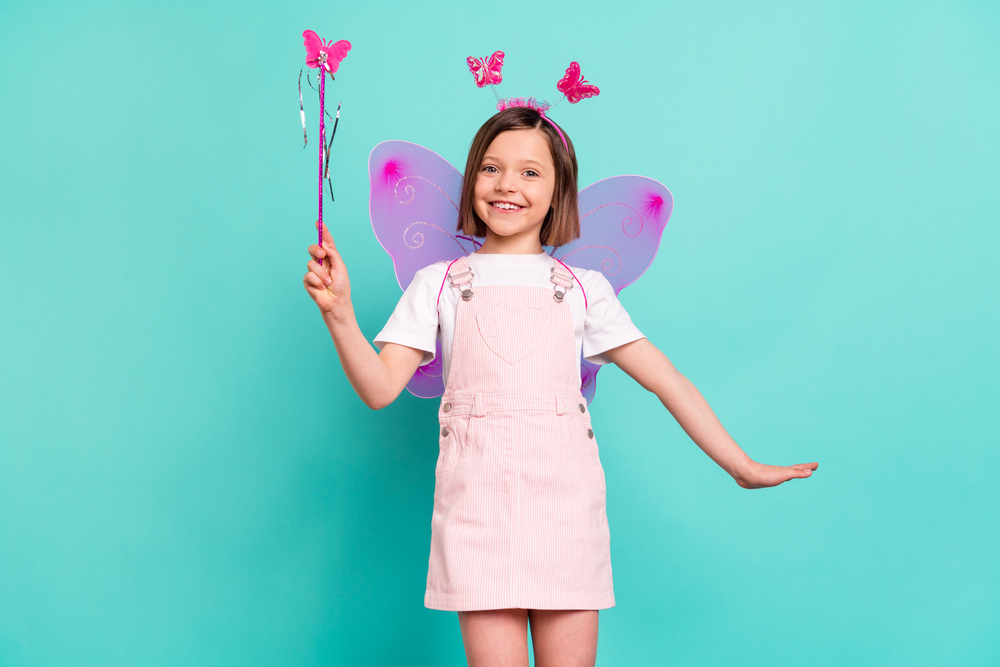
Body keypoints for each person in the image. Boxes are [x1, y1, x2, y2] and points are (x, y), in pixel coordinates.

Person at [303, 106, 818, 667]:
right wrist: (341, 316)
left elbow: (668, 381)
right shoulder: (440, 284)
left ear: (559, 193)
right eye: (491, 168)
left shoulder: (582, 288)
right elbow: (380, 387)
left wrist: (740, 466)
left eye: (530, 172)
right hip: (477, 512)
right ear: (472, 177)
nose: (507, 185)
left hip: (564, 512)